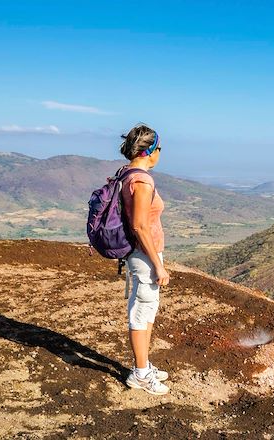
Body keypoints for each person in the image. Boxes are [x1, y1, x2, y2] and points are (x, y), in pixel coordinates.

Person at [118, 123, 170, 395]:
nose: (161, 153)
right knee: (141, 310)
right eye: (159, 148)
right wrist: (158, 265)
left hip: (140, 253)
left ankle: (144, 365)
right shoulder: (142, 180)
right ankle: (139, 374)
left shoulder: (128, 174)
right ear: (150, 150)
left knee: (146, 308)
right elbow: (140, 225)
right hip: (143, 254)